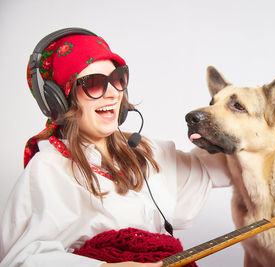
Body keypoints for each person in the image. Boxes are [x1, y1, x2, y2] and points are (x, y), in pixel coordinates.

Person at [0, 28, 232, 267]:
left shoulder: (147, 150)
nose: (112, 93)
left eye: (117, 78)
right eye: (93, 83)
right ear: (59, 98)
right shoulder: (47, 169)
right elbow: (22, 260)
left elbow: (226, 165)